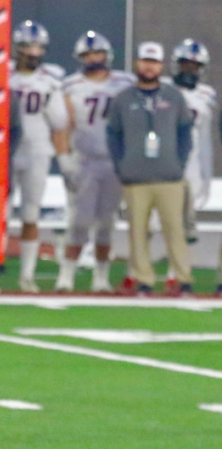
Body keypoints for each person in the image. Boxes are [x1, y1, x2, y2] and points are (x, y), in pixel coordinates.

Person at [107, 41, 194, 296]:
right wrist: (121, 166)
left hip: (169, 176)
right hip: (135, 177)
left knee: (175, 229)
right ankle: (144, 280)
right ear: (137, 63)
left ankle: (182, 278)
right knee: (138, 232)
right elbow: (113, 135)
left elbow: (185, 133)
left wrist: (179, 163)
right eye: (145, 60)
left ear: (162, 66)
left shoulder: (173, 97)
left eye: (154, 62)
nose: (149, 66)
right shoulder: (123, 98)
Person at [55, 31, 135, 293]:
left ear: (107, 55)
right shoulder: (71, 85)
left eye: (97, 53)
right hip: (85, 160)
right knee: (79, 221)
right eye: (88, 54)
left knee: (106, 223)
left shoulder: (124, 83)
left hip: (113, 161)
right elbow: (63, 124)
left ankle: (101, 277)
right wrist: (64, 157)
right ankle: (66, 275)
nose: (93, 58)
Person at [8, 20, 70, 293]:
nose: (33, 53)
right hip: (7, 151)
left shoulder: (50, 81)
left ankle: (27, 276)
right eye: (28, 47)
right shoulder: (3, 75)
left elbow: (60, 122)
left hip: (36, 150)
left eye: (37, 48)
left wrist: (64, 155)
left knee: (31, 213)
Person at [167, 40, 216, 292]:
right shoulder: (164, 90)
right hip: (164, 161)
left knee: (183, 223)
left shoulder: (206, 95)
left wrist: (206, 174)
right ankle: (137, 273)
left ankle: (174, 274)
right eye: (185, 64)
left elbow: (205, 136)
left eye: (195, 65)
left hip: (191, 163)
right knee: (157, 222)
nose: (189, 69)